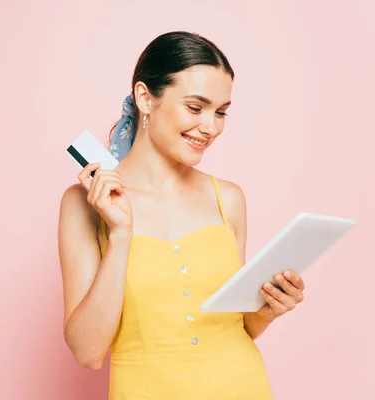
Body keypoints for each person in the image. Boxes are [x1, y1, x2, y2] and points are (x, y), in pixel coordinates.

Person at [57, 31, 306, 399]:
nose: (210, 127)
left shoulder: (228, 198)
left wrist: (269, 307)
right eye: (195, 107)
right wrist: (121, 233)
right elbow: (87, 352)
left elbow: (239, 325)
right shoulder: (85, 204)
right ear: (145, 97)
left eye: (221, 112)